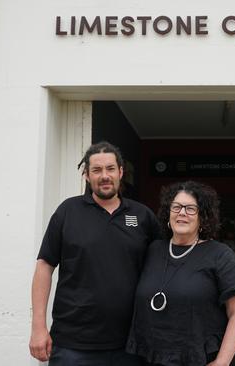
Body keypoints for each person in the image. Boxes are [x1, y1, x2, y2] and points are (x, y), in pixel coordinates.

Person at [29, 141, 161, 365]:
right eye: (97, 170)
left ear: (121, 172)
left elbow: (162, 270)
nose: (105, 176)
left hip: (130, 344)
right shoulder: (67, 212)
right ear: (87, 175)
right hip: (73, 344)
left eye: (110, 169)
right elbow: (44, 266)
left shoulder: (142, 216)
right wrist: (38, 327)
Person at [127, 181, 235, 366]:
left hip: (200, 359)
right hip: (151, 357)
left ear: (203, 217)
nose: (182, 213)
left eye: (190, 209)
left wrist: (222, 361)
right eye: (176, 207)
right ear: (168, 213)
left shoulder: (220, 255)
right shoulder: (153, 250)